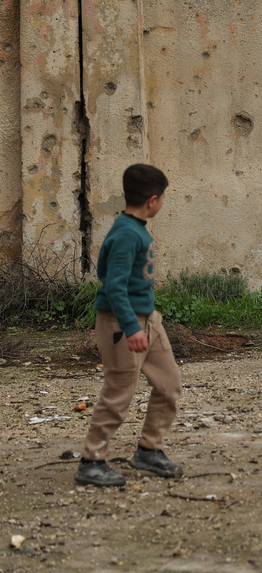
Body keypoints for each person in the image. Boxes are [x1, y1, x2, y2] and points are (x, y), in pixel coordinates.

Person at [76, 164, 184, 487]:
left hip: (148, 321)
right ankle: (91, 461)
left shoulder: (137, 228)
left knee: (169, 384)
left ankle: (149, 450)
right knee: (118, 394)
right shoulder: (125, 233)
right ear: (152, 200)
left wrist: (146, 323)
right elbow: (114, 286)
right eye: (162, 198)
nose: (162, 203)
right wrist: (132, 327)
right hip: (123, 325)